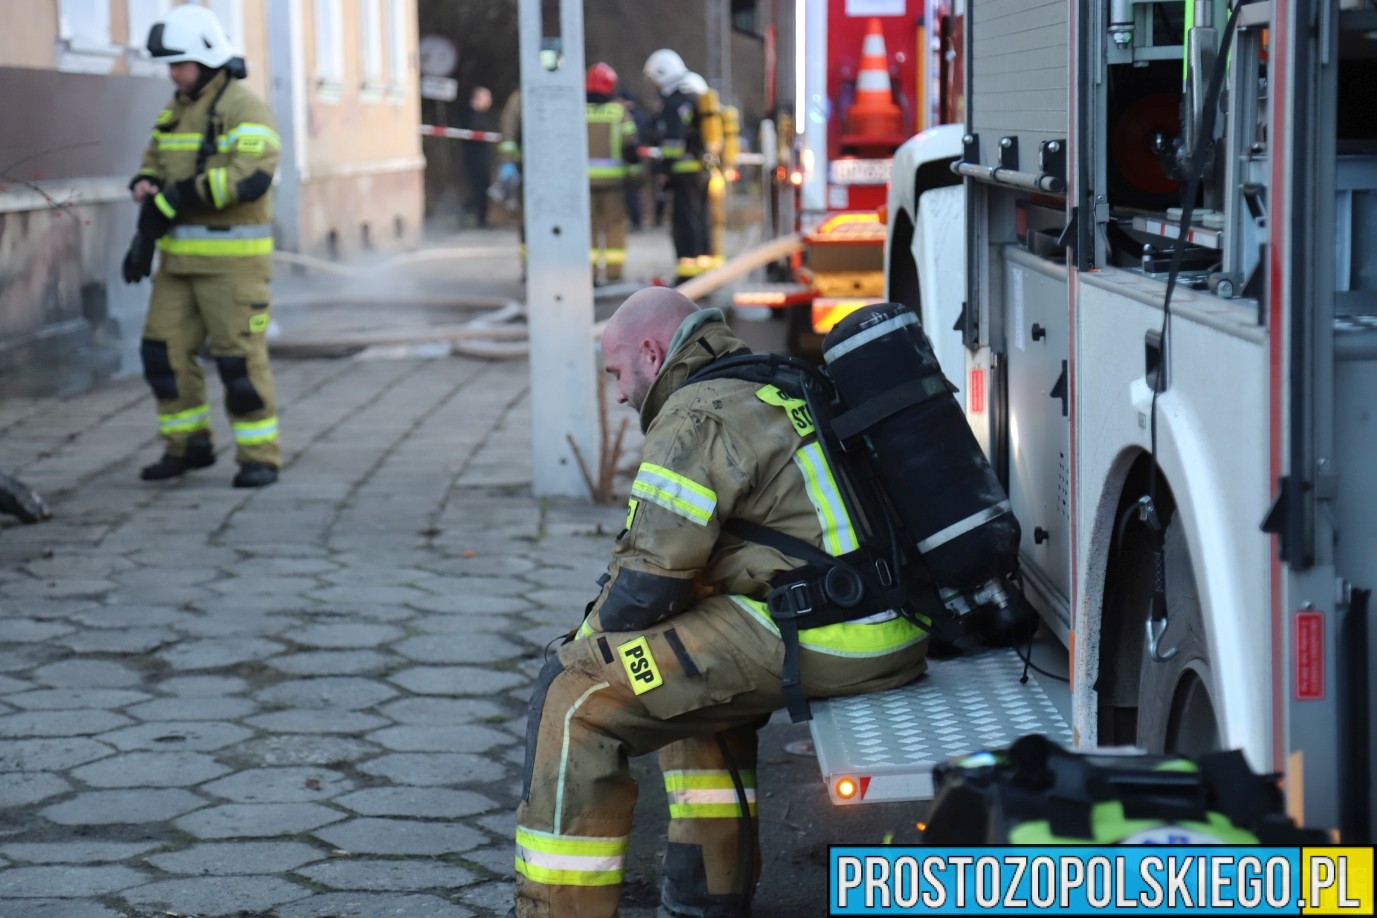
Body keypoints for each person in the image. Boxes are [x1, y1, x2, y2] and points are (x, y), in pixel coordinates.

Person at [512, 287, 929, 917]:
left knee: (575, 700)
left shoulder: (695, 417)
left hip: (832, 635)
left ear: (653, 353)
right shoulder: (772, 380)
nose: (621, 393)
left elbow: (645, 582)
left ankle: (556, 911)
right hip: (884, 621)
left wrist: (582, 650)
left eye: (618, 374)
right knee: (684, 680)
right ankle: (707, 898)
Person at [123, 4, 281, 488]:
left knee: (237, 362)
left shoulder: (244, 108)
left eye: (181, 64)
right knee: (162, 353)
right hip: (179, 263)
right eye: (170, 65)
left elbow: (249, 178)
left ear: (209, 58)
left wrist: (174, 200)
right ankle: (188, 446)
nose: (174, 73)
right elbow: (154, 160)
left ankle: (259, 457)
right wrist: (146, 184)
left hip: (233, 267)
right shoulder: (177, 109)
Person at [643, 50, 712, 283]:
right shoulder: (691, 97)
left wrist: (662, 169)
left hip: (683, 174)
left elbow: (673, 144)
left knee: (685, 225)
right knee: (700, 221)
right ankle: (703, 273)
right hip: (700, 171)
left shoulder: (673, 103)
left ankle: (687, 277)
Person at [585, 63, 640, 285]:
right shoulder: (619, 112)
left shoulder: (574, 110)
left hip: (583, 184)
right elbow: (630, 147)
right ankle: (613, 273)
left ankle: (587, 274)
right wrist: (636, 174)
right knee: (614, 228)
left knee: (587, 230)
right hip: (613, 183)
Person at [461, 85, 495, 228]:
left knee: (482, 188)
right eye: (487, 97)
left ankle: (481, 217)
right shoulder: (472, 116)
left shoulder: (480, 115)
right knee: (478, 188)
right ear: (478, 99)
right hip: (476, 160)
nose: (490, 101)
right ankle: (476, 217)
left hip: (481, 159)